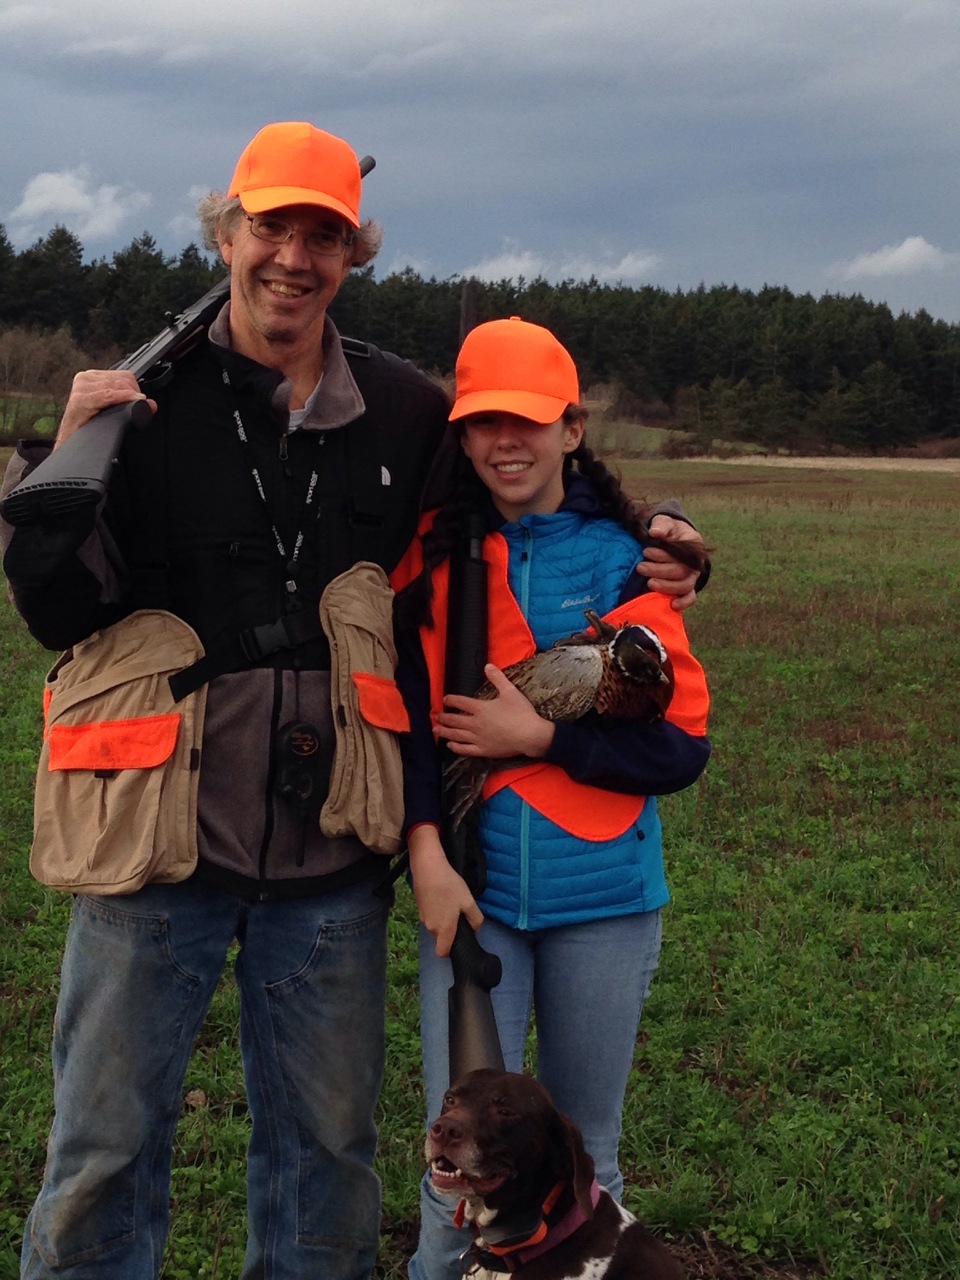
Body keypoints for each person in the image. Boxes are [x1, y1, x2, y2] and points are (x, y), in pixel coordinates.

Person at [0, 127, 704, 1280]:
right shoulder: (137, 402)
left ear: (351, 255)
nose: (294, 255)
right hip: (151, 846)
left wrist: (663, 530)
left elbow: (526, 486)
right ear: (225, 232)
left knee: (326, 1161)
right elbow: (56, 611)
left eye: (322, 234)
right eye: (271, 226)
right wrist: (60, 466)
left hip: (329, 860)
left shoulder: (405, 410)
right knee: (103, 1154)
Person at [392, 318, 712, 1280]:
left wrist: (542, 739)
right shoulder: (432, 555)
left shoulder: (629, 564)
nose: (506, 442)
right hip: (469, 897)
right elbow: (407, 723)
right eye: (484, 421)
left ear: (572, 429)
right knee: (457, 1164)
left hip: (605, 901)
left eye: (528, 420)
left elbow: (679, 749)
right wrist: (428, 855)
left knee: (586, 1157)